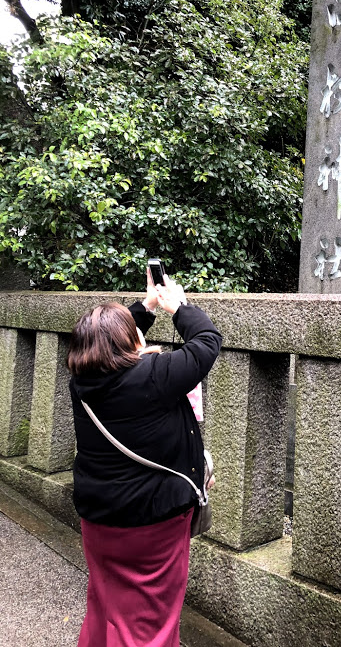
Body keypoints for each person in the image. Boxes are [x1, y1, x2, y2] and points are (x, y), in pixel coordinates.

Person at [67, 270, 221, 647]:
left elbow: (109, 340)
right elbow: (206, 342)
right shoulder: (153, 374)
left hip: (99, 519)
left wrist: (148, 305)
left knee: (107, 605)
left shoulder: (81, 381)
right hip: (151, 525)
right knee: (150, 623)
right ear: (130, 341)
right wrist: (178, 306)